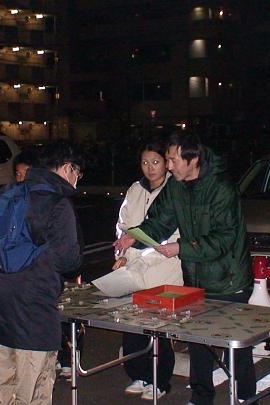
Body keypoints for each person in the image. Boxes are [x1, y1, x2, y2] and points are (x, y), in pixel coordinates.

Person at [114, 133, 254, 405]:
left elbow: (224, 239)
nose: (168, 166)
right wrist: (134, 237)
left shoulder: (222, 188)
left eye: (172, 160)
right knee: (198, 341)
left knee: (236, 345)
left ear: (194, 159)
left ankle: (247, 398)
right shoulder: (176, 187)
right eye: (167, 159)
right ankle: (201, 398)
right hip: (195, 277)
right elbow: (159, 221)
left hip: (229, 279)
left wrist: (180, 248)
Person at [0, 142, 84, 405]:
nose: (77, 180)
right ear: (67, 168)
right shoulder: (57, 202)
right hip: (34, 311)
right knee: (32, 391)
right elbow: (69, 261)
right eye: (77, 173)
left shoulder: (7, 192)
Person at [115, 141, 183, 400]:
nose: (150, 168)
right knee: (132, 326)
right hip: (133, 269)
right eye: (145, 162)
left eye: (155, 162)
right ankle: (139, 374)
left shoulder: (174, 190)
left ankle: (160, 380)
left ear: (166, 163)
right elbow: (123, 227)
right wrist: (122, 254)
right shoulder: (135, 189)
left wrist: (136, 255)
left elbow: (170, 236)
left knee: (159, 329)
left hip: (164, 270)